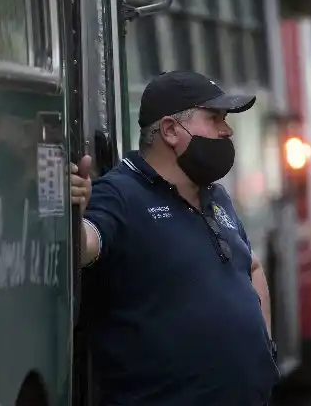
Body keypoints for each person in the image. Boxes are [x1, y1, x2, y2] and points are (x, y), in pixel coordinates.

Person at [69, 70, 279, 406]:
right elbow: (85, 246)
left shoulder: (216, 196)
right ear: (169, 131)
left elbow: (251, 267)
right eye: (214, 118)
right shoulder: (121, 195)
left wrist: (264, 351)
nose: (227, 131)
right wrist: (71, 216)